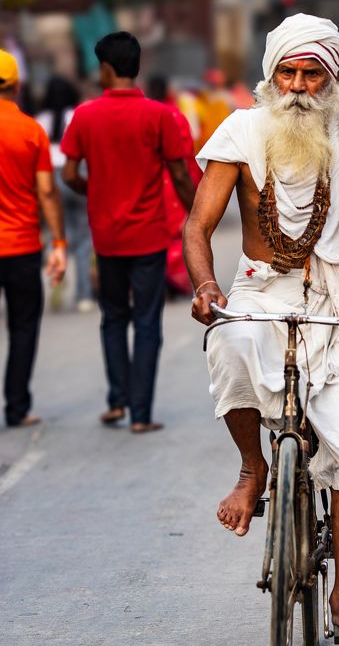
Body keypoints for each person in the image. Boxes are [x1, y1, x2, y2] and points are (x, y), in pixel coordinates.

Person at [183, 13, 339, 640]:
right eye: (288, 73)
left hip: (338, 291)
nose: (299, 87)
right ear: (270, 74)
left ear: (331, 78)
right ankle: (253, 468)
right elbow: (198, 226)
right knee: (228, 342)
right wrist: (207, 286)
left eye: (312, 75)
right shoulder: (241, 131)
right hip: (260, 286)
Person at [61, 32, 196, 433]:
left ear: (105, 69)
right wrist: (198, 217)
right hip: (149, 236)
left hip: (106, 237)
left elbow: (69, 174)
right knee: (148, 322)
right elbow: (180, 175)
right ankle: (141, 415)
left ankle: (117, 400)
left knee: (114, 317)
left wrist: (93, 190)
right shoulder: (160, 116)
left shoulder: (85, 116)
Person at [0, 50, 67, 426]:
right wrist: (59, 243)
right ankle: (17, 407)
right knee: (23, 327)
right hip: (22, 247)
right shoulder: (30, 130)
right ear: (16, 86)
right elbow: (46, 191)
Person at [36, 75, 95, 311]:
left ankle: (57, 287)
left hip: (50, 176)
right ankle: (83, 295)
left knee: (57, 235)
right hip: (76, 172)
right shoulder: (78, 115)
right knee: (83, 239)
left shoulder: (40, 120)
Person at [145, 75, 203, 296]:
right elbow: (187, 157)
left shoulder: (143, 116)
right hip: (173, 183)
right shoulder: (176, 116)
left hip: (150, 183)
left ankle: (158, 280)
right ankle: (174, 280)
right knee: (177, 234)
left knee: (155, 233)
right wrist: (196, 185)